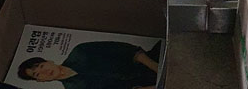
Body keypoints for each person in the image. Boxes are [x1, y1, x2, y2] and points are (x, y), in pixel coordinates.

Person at [17, 40, 162, 89]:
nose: (44, 72)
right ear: (40, 81)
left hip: (153, 61)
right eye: (37, 74)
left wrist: (157, 68)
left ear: (49, 61)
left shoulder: (80, 51)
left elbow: (126, 50)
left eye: (41, 66)